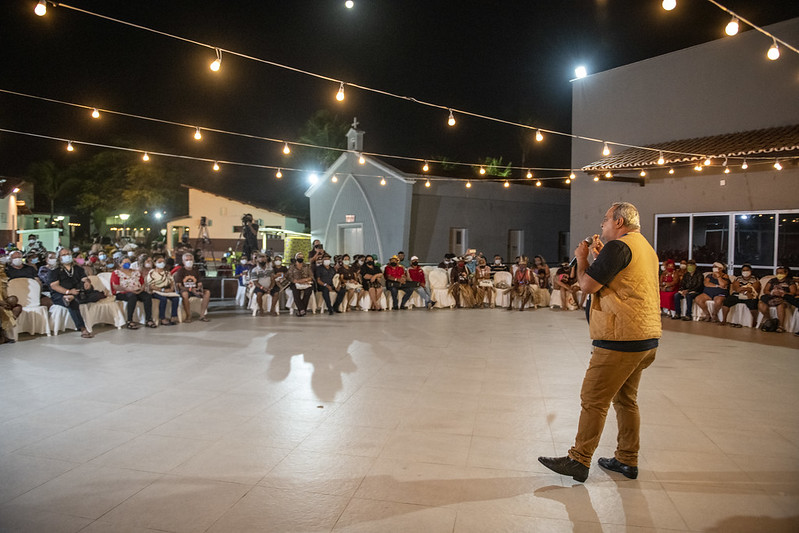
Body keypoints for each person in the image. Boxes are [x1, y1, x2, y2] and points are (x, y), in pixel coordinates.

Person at [539, 202, 661, 483]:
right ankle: (627, 459)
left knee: (593, 399)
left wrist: (582, 258)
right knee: (626, 400)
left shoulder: (617, 248)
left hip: (620, 337)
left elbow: (587, 285)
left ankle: (578, 460)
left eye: (605, 220)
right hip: (645, 337)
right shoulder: (643, 247)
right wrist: (598, 259)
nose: (602, 225)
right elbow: (619, 282)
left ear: (619, 222)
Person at [49, 248, 96, 338]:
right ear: (59, 258)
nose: (66, 256)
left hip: (76, 291)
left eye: (68, 254)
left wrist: (87, 282)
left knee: (93, 292)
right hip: (60, 294)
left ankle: (73, 297)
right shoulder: (55, 270)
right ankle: (82, 328)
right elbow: (54, 286)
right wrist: (68, 292)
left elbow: (84, 278)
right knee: (72, 303)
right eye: (63, 255)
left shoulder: (77, 268)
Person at [110, 255, 156, 329]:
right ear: (120, 264)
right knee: (132, 297)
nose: (127, 264)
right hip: (123, 292)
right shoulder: (116, 273)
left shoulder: (135, 272)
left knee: (147, 296)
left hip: (137, 290)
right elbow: (115, 286)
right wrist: (129, 290)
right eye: (125, 262)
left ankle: (148, 319)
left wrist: (140, 289)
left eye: (128, 262)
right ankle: (129, 320)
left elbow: (142, 282)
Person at [173, 252, 211, 322]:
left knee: (207, 292)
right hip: (185, 290)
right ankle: (188, 316)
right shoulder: (181, 271)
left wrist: (199, 289)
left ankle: (202, 315)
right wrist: (190, 289)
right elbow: (179, 286)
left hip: (195, 289)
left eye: (190, 260)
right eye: (187, 260)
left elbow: (199, 283)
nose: (189, 261)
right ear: (183, 262)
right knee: (185, 294)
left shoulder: (196, 270)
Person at [720, 264, 760, 328]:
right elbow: (736, 288)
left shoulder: (755, 279)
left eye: (747, 270)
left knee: (753, 304)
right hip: (738, 295)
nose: (745, 271)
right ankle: (724, 319)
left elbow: (753, 289)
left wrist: (743, 289)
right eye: (743, 270)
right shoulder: (738, 278)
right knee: (727, 302)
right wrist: (745, 291)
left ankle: (754, 321)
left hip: (750, 296)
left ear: (751, 271)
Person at [758, 266, 796, 333]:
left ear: (786, 273)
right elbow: (765, 290)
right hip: (772, 297)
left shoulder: (790, 281)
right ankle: (770, 320)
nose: (779, 274)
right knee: (761, 304)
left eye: (781, 273)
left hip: (783, 298)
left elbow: (793, 292)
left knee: (780, 306)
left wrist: (783, 293)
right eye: (777, 272)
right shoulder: (772, 280)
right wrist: (772, 292)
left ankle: (780, 326)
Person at [146, 255, 180, 326]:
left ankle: (173, 316)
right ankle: (162, 318)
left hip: (167, 290)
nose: (162, 263)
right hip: (156, 291)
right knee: (163, 299)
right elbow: (151, 285)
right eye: (159, 262)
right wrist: (162, 290)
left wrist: (171, 289)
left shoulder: (167, 272)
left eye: (163, 262)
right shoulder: (152, 273)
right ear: (155, 263)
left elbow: (171, 282)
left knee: (176, 298)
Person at [287, 251, 313, 316]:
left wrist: (305, 280)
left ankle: (302, 310)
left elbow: (311, 276)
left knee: (308, 292)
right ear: (296, 258)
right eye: (299, 257)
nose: (300, 258)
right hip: (295, 283)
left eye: (301, 257)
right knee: (296, 294)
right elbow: (289, 276)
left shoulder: (306, 266)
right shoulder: (292, 266)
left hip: (305, 283)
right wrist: (295, 281)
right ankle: (302, 309)